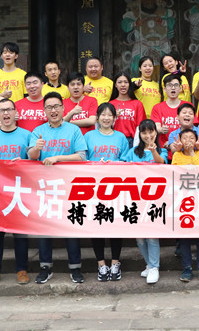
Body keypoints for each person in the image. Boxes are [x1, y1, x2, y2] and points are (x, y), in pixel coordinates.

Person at [28, 92, 88, 284]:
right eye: (49, 107)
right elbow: (31, 156)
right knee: (44, 228)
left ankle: (75, 268)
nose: (53, 110)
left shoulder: (73, 130)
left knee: (71, 226)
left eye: (56, 106)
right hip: (45, 187)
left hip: (69, 185)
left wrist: (57, 158)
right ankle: (45, 267)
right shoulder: (38, 131)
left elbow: (81, 156)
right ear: (44, 110)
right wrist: (37, 148)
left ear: (63, 108)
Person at [0, 97, 32, 287]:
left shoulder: (27, 135)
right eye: (2, 110)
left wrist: (23, 161)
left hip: (19, 191)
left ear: (16, 113)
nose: (6, 113)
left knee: (20, 234)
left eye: (9, 109)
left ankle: (22, 270)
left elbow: (35, 162)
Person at [84, 102, 129, 281]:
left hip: (115, 188)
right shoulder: (89, 136)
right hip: (94, 188)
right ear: (97, 117)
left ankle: (115, 263)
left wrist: (114, 164)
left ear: (115, 118)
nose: (106, 118)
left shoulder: (121, 137)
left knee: (115, 226)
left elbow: (126, 161)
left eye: (110, 115)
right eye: (103, 114)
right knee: (97, 226)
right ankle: (101, 264)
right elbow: (83, 160)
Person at [120, 119, 167, 284]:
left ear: (156, 132)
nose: (148, 135)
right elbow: (121, 166)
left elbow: (161, 162)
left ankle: (154, 267)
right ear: (139, 134)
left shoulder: (162, 150)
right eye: (144, 132)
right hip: (135, 198)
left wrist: (153, 151)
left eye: (151, 131)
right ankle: (149, 264)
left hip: (155, 199)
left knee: (152, 235)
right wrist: (108, 163)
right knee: (139, 236)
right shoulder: (133, 151)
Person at [173, 128, 199, 282]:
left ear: (196, 141)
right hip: (182, 200)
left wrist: (192, 153)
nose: (188, 141)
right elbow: (175, 173)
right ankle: (187, 268)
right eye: (185, 138)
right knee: (184, 237)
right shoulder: (176, 155)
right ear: (179, 141)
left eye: (191, 138)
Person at [110, 71, 146, 145]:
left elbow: (141, 126)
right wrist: (114, 116)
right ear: (115, 85)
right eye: (119, 82)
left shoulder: (137, 104)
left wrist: (137, 144)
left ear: (129, 84)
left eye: (126, 82)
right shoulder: (110, 104)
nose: (123, 85)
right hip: (114, 140)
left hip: (132, 141)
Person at [151, 74, 185, 147]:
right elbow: (156, 127)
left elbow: (191, 129)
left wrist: (172, 142)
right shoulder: (157, 108)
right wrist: (161, 129)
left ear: (180, 89)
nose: (173, 88)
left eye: (176, 85)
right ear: (165, 89)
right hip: (163, 149)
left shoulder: (187, 106)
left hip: (184, 148)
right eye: (169, 85)